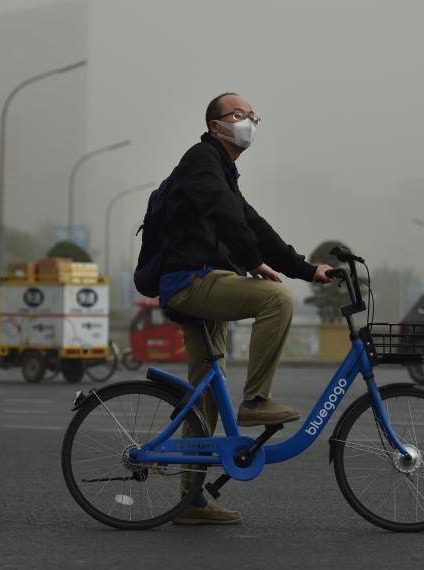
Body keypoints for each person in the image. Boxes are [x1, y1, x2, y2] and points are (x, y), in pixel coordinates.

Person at [159, 92, 333, 524]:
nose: (248, 123)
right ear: (215, 125)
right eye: (238, 115)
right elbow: (225, 214)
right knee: (275, 298)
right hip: (190, 281)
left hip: (201, 282)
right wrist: (252, 261)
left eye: (253, 116)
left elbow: (253, 225)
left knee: (205, 395)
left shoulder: (222, 171)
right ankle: (256, 399)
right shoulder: (202, 160)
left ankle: (190, 501)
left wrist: (308, 270)